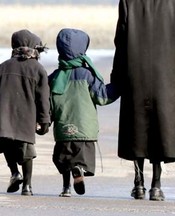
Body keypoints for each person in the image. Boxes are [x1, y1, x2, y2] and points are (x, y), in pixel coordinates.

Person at [111, 0, 175, 201]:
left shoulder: (128, 1)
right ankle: (156, 185)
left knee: (137, 126)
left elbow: (120, 40)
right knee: (160, 126)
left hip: (135, 72)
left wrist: (119, 74)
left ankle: (138, 183)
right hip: (166, 75)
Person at [49, 28, 117, 197]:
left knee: (64, 160)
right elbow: (102, 97)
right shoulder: (87, 75)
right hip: (85, 129)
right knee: (79, 159)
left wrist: (44, 121)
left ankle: (66, 188)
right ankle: (79, 169)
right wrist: (119, 86)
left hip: (63, 128)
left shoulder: (55, 77)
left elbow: (47, 104)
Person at [0, 29, 50, 196]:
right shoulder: (38, 69)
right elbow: (43, 99)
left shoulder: (3, 67)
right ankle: (27, 186)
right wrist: (44, 121)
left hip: (4, 117)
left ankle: (14, 172)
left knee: (6, 144)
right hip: (26, 118)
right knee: (26, 151)